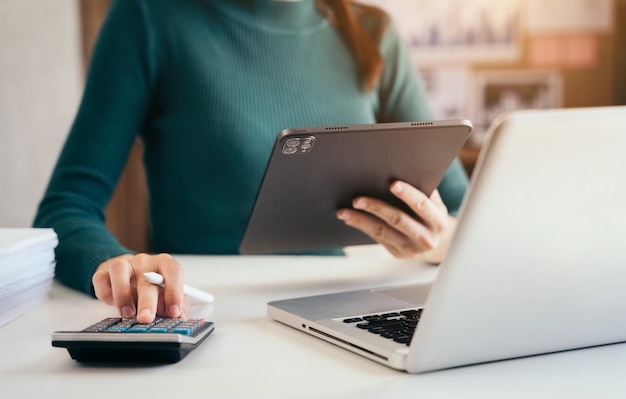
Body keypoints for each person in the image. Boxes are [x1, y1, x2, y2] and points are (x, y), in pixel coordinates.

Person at [34, 0, 468, 324]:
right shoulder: (148, 18)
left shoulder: (373, 33)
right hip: (205, 315)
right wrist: (116, 264)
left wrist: (442, 240)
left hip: (346, 312)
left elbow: (466, 209)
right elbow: (65, 209)